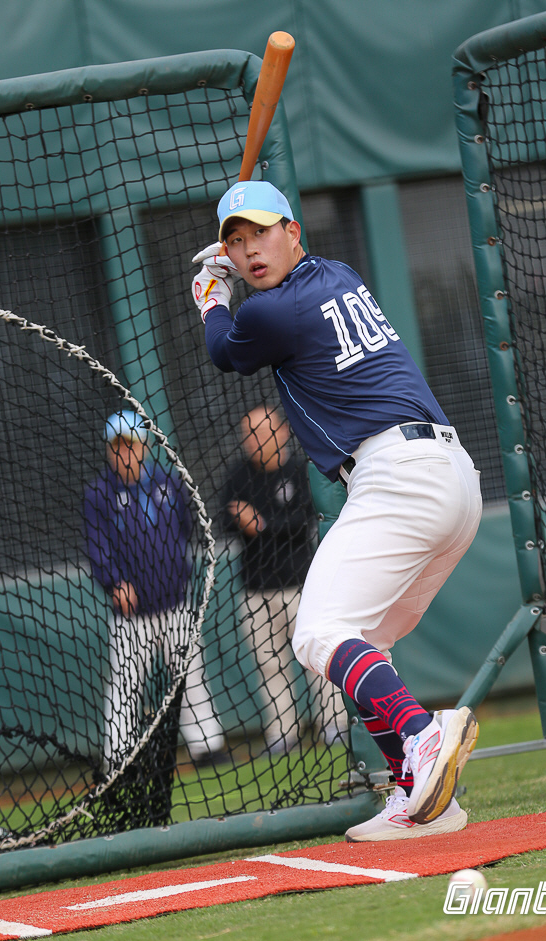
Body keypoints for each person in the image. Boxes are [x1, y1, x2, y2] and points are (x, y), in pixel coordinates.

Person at [191, 180, 482, 841]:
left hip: (397, 478)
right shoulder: (339, 273)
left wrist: (211, 297)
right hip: (450, 478)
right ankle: (420, 800)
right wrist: (234, 277)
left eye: (261, 232)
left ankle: (421, 735)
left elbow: (223, 352)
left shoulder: (269, 313)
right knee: (362, 643)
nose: (250, 249)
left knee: (317, 635)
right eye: (236, 241)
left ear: (293, 231)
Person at [83, 409, 225, 770]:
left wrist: (180, 571)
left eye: (129, 446)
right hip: (132, 614)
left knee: (190, 675)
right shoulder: (99, 494)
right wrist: (115, 581)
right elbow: (97, 546)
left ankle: (206, 746)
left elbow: (185, 526)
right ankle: (119, 757)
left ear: (144, 447)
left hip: (175, 601)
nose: (123, 454)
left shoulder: (168, 481)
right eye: (116, 447)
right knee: (125, 684)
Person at [224, 404, 346, 752]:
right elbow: (226, 519)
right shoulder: (237, 475)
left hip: (301, 585)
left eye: (262, 432)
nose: (255, 440)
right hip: (255, 589)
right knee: (269, 664)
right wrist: (249, 522)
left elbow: (304, 520)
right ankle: (283, 733)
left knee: (317, 659)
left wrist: (260, 524)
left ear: (281, 432)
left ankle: (334, 725)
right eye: (249, 434)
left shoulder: (301, 469)